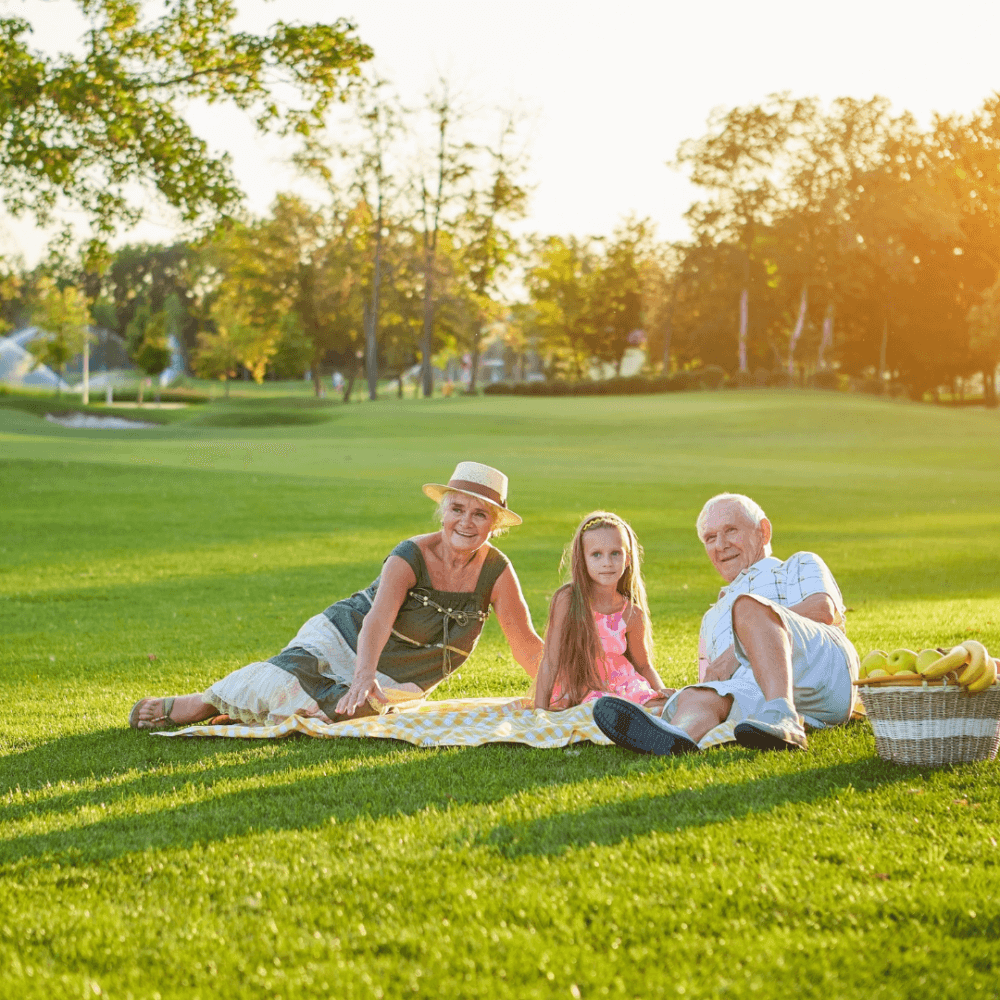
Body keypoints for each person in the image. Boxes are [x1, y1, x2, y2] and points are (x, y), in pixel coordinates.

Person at [129, 462, 543, 729]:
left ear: (495, 524)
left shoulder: (497, 572)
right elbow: (377, 621)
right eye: (457, 509)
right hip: (347, 638)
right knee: (287, 679)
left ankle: (242, 714)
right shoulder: (410, 555)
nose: (465, 523)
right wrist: (363, 674)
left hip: (403, 675)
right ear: (443, 511)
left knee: (349, 715)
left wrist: (566, 682)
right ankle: (200, 704)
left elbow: (524, 643)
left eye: (480, 514)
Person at [594, 492, 859, 754]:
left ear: (763, 531)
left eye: (731, 530)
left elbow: (823, 610)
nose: (720, 545)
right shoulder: (712, 616)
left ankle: (784, 716)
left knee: (748, 608)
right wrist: (676, 696)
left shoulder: (797, 564)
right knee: (697, 697)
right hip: (755, 691)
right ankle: (676, 737)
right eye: (711, 538)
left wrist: (737, 648)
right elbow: (714, 680)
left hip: (819, 670)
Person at [534, 511, 671, 711]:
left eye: (615, 553)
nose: (607, 562)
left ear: (628, 559)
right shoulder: (568, 600)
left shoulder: (631, 613)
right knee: (602, 707)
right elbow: (550, 661)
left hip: (624, 685)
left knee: (663, 707)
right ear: (583, 559)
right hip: (583, 687)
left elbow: (643, 665)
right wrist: (539, 711)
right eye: (596, 554)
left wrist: (662, 690)